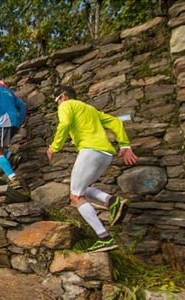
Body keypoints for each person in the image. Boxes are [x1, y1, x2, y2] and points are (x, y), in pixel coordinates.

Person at [46, 86, 138, 252]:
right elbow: (116, 122)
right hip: (105, 154)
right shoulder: (90, 109)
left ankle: (104, 237)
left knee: (75, 196)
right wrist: (125, 145)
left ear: (64, 97)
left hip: (90, 151)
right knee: (84, 189)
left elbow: (65, 123)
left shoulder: (66, 105)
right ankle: (111, 201)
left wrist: (55, 146)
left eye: (56, 100)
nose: (57, 105)